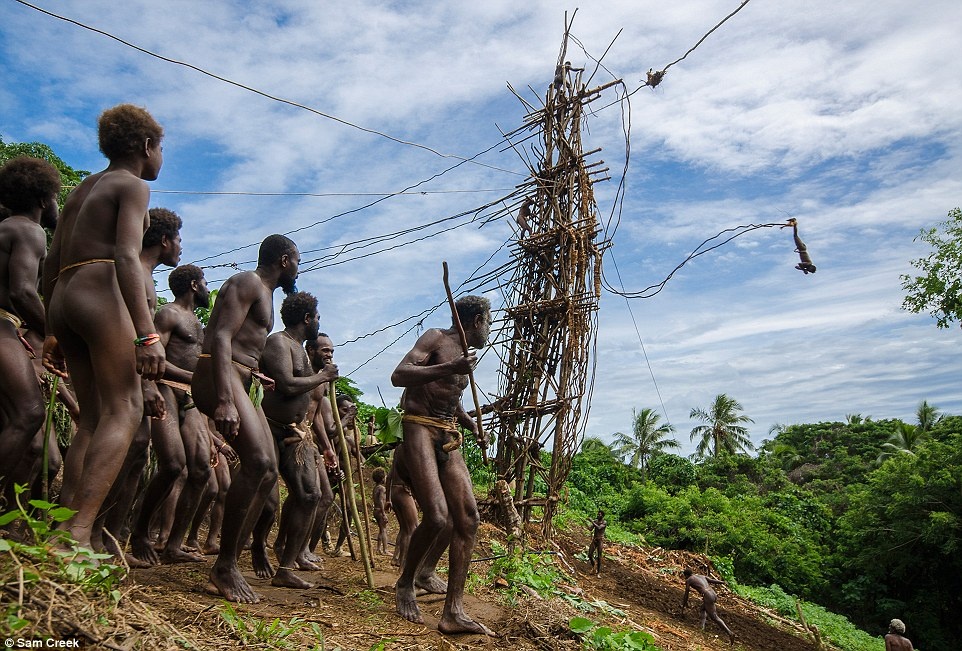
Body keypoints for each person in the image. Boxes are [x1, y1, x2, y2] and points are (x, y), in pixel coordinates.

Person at [42, 104, 166, 551]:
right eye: (161, 148)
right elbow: (127, 256)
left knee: (93, 419)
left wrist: (55, 326)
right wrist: (146, 333)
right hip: (100, 291)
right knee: (125, 409)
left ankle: (62, 528)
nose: (160, 157)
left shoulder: (81, 190)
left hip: (65, 294)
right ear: (147, 146)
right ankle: (76, 533)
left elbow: (52, 260)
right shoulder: (131, 185)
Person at [190, 233, 299, 603]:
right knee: (260, 461)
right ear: (284, 260)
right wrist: (225, 400)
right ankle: (223, 566)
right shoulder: (247, 282)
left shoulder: (265, 293)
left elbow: (243, 345)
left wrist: (255, 373)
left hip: (240, 376)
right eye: (296, 261)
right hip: (218, 377)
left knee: (267, 471)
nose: (298, 269)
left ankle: (229, 561)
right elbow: (219, 337)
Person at [391, 295, 493, 636]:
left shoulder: (465, 357)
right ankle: (406, 582)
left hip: (447, 431)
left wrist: (473, 425)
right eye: (489, 322)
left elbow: (452, 398)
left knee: (467, 517)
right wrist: (451, 367)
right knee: (436, 516)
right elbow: (400, 375)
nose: (489, 330)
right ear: (476, 321)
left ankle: (454, 611)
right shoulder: (435, 337)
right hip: (418, 426)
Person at [131, 263, 215, 564]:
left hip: (190, 399)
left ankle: (174, 545)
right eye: (204, 282)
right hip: (166, 388)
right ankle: (139, 533)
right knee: (172, 465)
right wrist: (152, 387)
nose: (207, 288)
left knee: (202, 470)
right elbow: (154, 359)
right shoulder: (169, 314)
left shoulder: (197, 322)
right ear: (194, 285)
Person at [256, 291, 338, 588]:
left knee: (311, 495)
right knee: (264, 501)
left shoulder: (301, 350)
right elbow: (287, 385)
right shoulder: (278, 343)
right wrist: (323, 376)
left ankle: (286, 567)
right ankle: (250, 549)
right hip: (269, 427)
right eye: (316, 317)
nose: (318, 321)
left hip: (295, 434)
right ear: (307, 319)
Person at [0, 156, 60, 500]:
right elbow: (21, 291)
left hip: (9, 329)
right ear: (42, 199)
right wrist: (53, 332)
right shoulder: (27, 228)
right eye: (54, 199)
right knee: (29, 412)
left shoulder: (9, 227)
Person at [682, 568, 735, 644]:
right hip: (713, 593)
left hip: (707, 595)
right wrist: (722, 582)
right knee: (702, 609)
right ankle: (702, 628)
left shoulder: (689, 580)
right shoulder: (701, 576)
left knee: (714, 617)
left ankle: (730, 633)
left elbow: (686, 592)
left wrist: (685, 602)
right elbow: (712, 580)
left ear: (686, 575)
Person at [387, 465, 417, 568]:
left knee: (404, 528)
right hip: (403, 491)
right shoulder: (410, 451)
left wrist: (388, 499)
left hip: (394, 491)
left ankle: (396, 558)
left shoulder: (398, 453)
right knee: (412, 529)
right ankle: (403, 564)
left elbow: (389, 477)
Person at [372, 467, 389, 555]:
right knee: (384, 530)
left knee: (381, 530)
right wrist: (384, 513)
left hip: (375, 510)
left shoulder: (375, 488)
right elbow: (381, 501)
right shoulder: (382, 488)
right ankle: (385, 550)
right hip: (380, 511)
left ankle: (378, 549)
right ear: (382, 478)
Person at [587, 510, 606, 576]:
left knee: (599, 557)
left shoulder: (604, 522)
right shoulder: (595, 521)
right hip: (595, 540)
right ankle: (594, 566)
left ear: (602, 516)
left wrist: (591, 521)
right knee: (589, 554)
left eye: (599, 514)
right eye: (598, 514)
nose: (598, 515)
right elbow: (590, 529)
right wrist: (586, 523)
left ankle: (598, 572)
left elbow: (599, 527)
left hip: (600, 541)